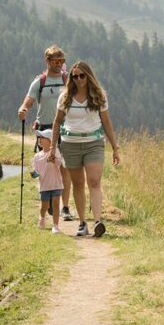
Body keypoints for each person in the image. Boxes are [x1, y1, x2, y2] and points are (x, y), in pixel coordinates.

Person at [50, 60, 120, 238]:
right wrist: (52, 147)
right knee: (78, 184)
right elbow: (57, 121)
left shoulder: (99, 95)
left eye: (82, 76)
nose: (79, 79)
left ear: (88, 76)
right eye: (75, 76)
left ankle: (98, 221)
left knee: (94, 181)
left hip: (94, 143)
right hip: (70, 144)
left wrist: (115, 147)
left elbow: (106, 122)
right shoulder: (65, 97)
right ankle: (82, 223)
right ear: (71, 78)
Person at [17, 45, 73, 219]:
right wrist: (23, 109)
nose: (59, 64)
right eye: (56, 61)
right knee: (49, 166)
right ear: (47, 61)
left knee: (64, 166)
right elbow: (29, 101)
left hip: (66, 128)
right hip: (45, 129)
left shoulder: (68, 80)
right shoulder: (40, 81)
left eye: (62, 61)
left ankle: (64, 207)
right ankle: (49, 200)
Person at [30, 129, 64, 233]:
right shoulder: (37, 156)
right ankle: (42, 217)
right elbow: (36, 171)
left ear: (50, 141)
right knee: (44, 205)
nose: (40, 139)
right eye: (39, 138)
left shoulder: (55, 152)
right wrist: (34, 174)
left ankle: (55, 225)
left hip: (56, 184)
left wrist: (53, 159)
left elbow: (60, 163)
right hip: (44, 185)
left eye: (42, 138)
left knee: (55, 204)